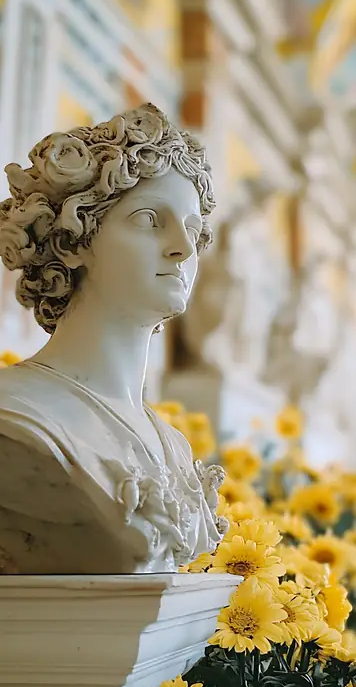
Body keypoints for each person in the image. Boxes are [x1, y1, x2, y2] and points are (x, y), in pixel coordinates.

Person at [0, 103, 226, 574]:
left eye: (193, 228)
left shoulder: (174, 446)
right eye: (149, 219)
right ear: (72, 242)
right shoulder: (18, 419)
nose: (183, 248)